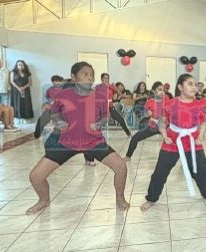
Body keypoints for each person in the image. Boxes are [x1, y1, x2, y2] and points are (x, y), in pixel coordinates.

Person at [26, 62, 129, 214]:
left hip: (94, 142)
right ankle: (43, 200)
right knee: (35, 176)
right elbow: (54, 113)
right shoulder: (62, 96)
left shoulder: (99, 97)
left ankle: (120, 197)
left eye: (91, 74)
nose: (89, 77)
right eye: (84, 74)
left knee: (121, 167)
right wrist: (58, 121)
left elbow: (106, 116)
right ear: (74, 77)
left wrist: (99, 123)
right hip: (67, 143)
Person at [140, 74, 206, 211]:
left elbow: (203, 123)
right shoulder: (171, 103)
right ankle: (151, 198)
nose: (194, 87)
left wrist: (200, 136)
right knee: (160, 172)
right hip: (173, 140)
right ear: (180, 87)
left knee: (203, 170)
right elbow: (162, 121)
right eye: (190, 84)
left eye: (195, 84)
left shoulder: (199, 105)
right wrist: (165, 136)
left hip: (192, 141)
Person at [124, 82, 168, 161]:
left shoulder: (167, 98)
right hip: (153, 126)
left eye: (163, 90)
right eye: (159, 90)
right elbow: (145, 113)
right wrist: (147, 113)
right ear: (154, 91)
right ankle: (128, 156)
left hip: (165, 126)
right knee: (135, 138)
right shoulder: (150, 102)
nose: (162, 92)